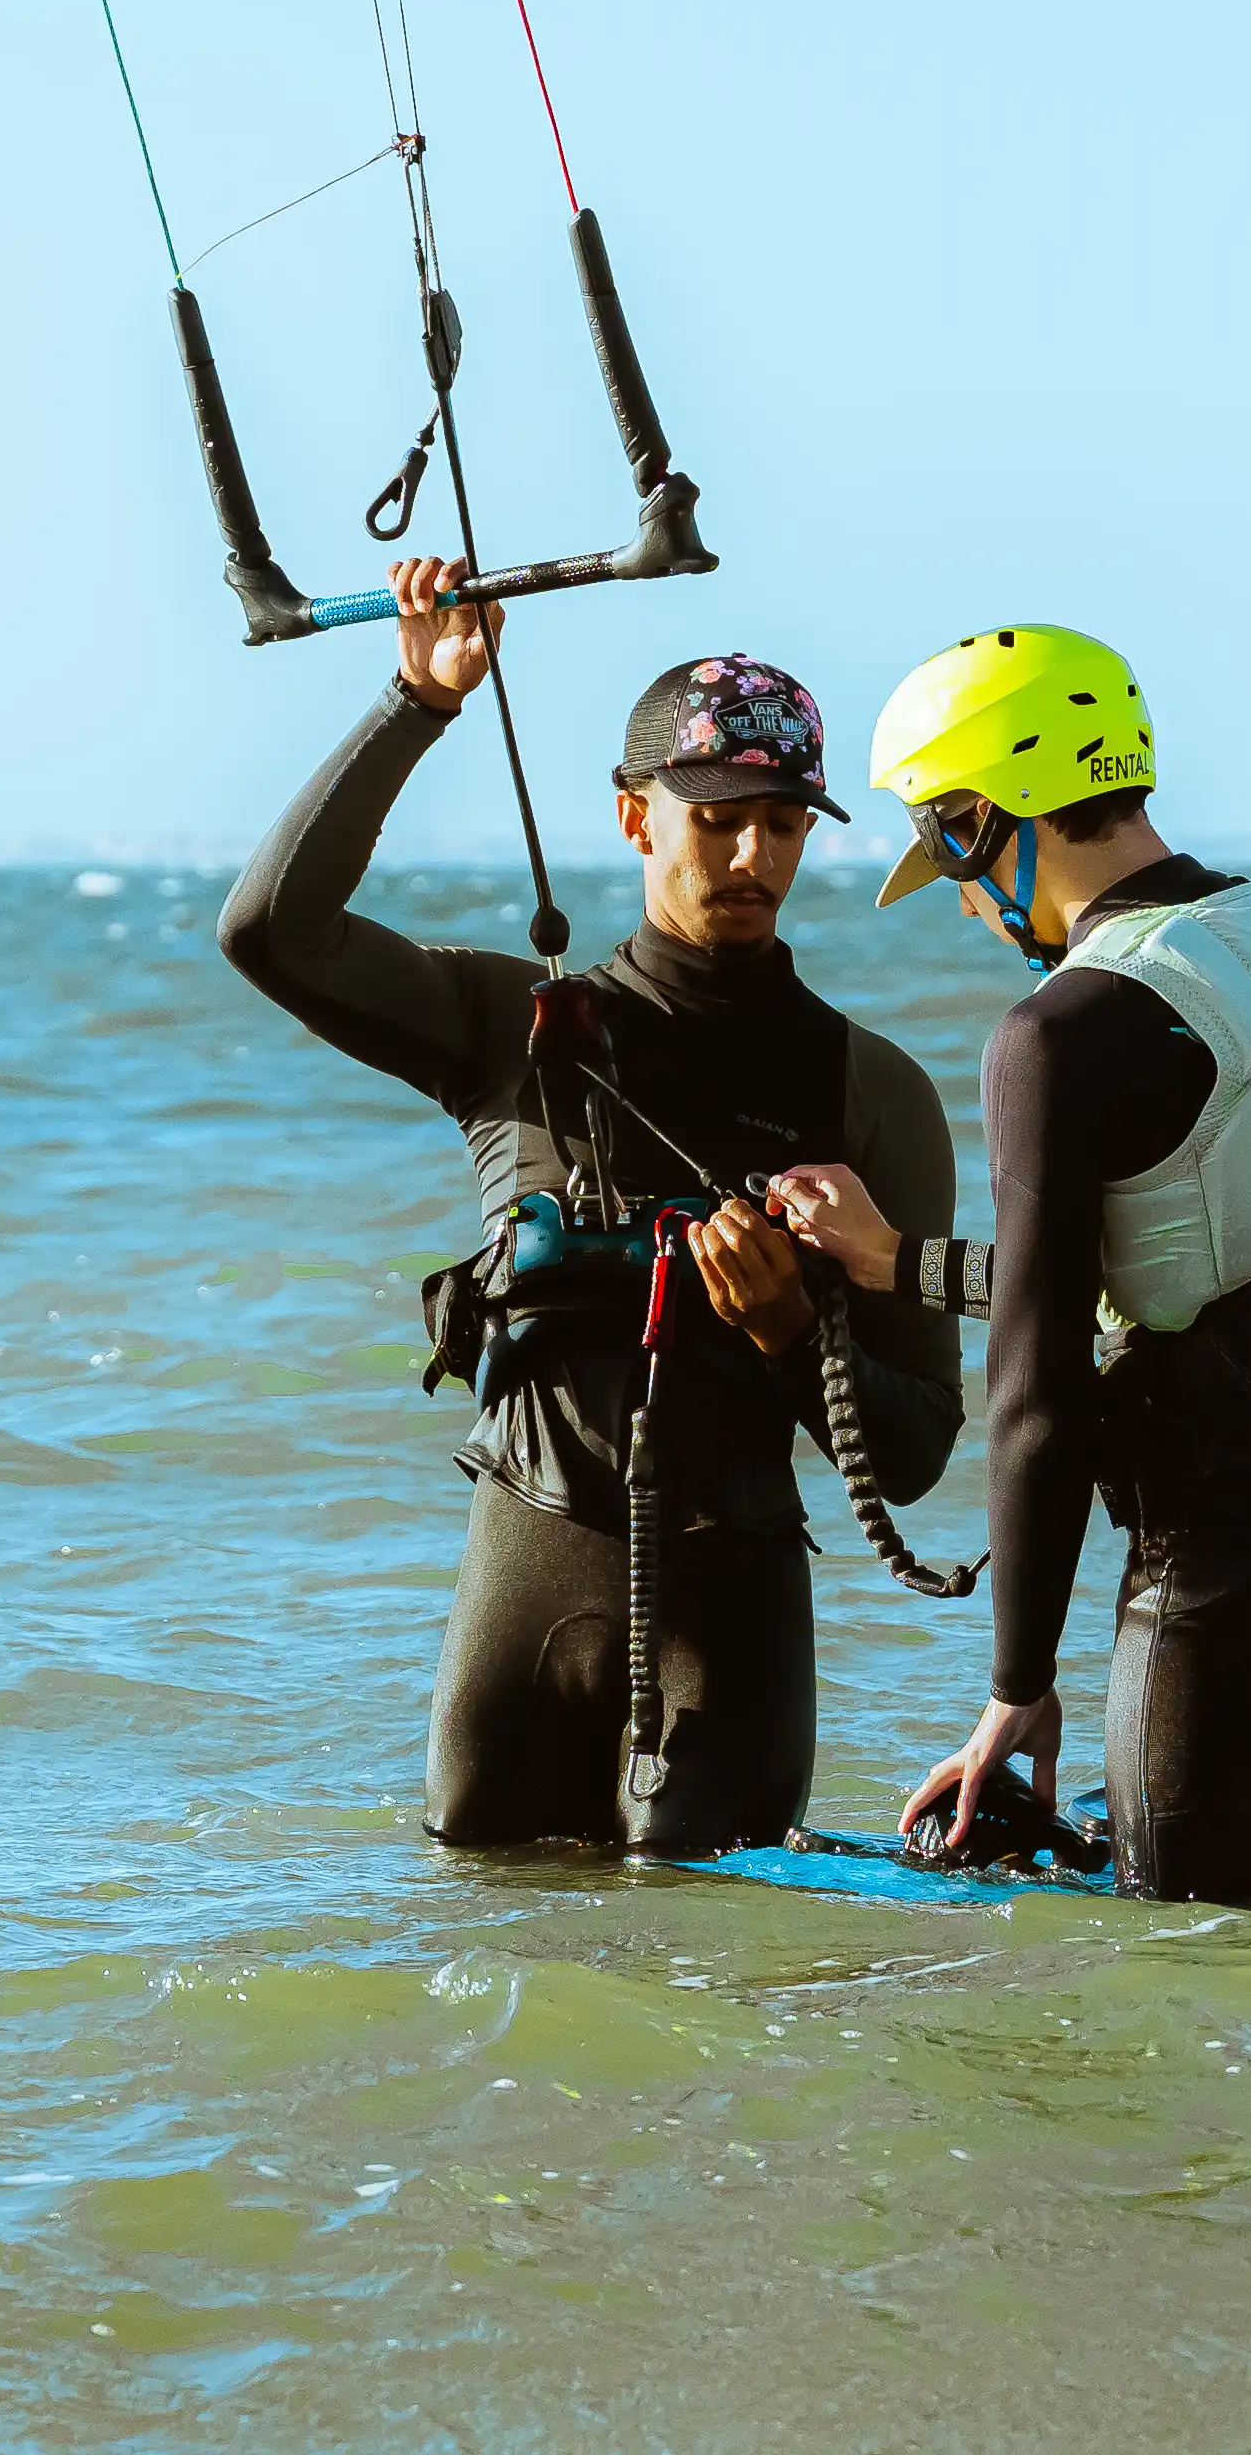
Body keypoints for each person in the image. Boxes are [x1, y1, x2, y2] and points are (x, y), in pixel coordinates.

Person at [215, 561, 965, 1856]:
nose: (752, 855)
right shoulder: (514, 1028)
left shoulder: (873, 1095)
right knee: (496, 1989)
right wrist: (417, 699)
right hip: (528, 1576)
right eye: (717, 816)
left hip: (731, 1613)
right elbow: (270, 931)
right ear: (635, 820)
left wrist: (794, 1332)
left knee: (705, 1993)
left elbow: (914, 1453)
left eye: (784, 822)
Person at [769, 624, 1251, 1903]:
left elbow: (1039, 1402)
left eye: (948, 853)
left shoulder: (1061, 1027)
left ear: (985, 821)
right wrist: (897, 1265)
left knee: (1188, 1986)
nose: (975, 910)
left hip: (1234, 1587)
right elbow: (1218, 1255)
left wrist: (1015, 1691)